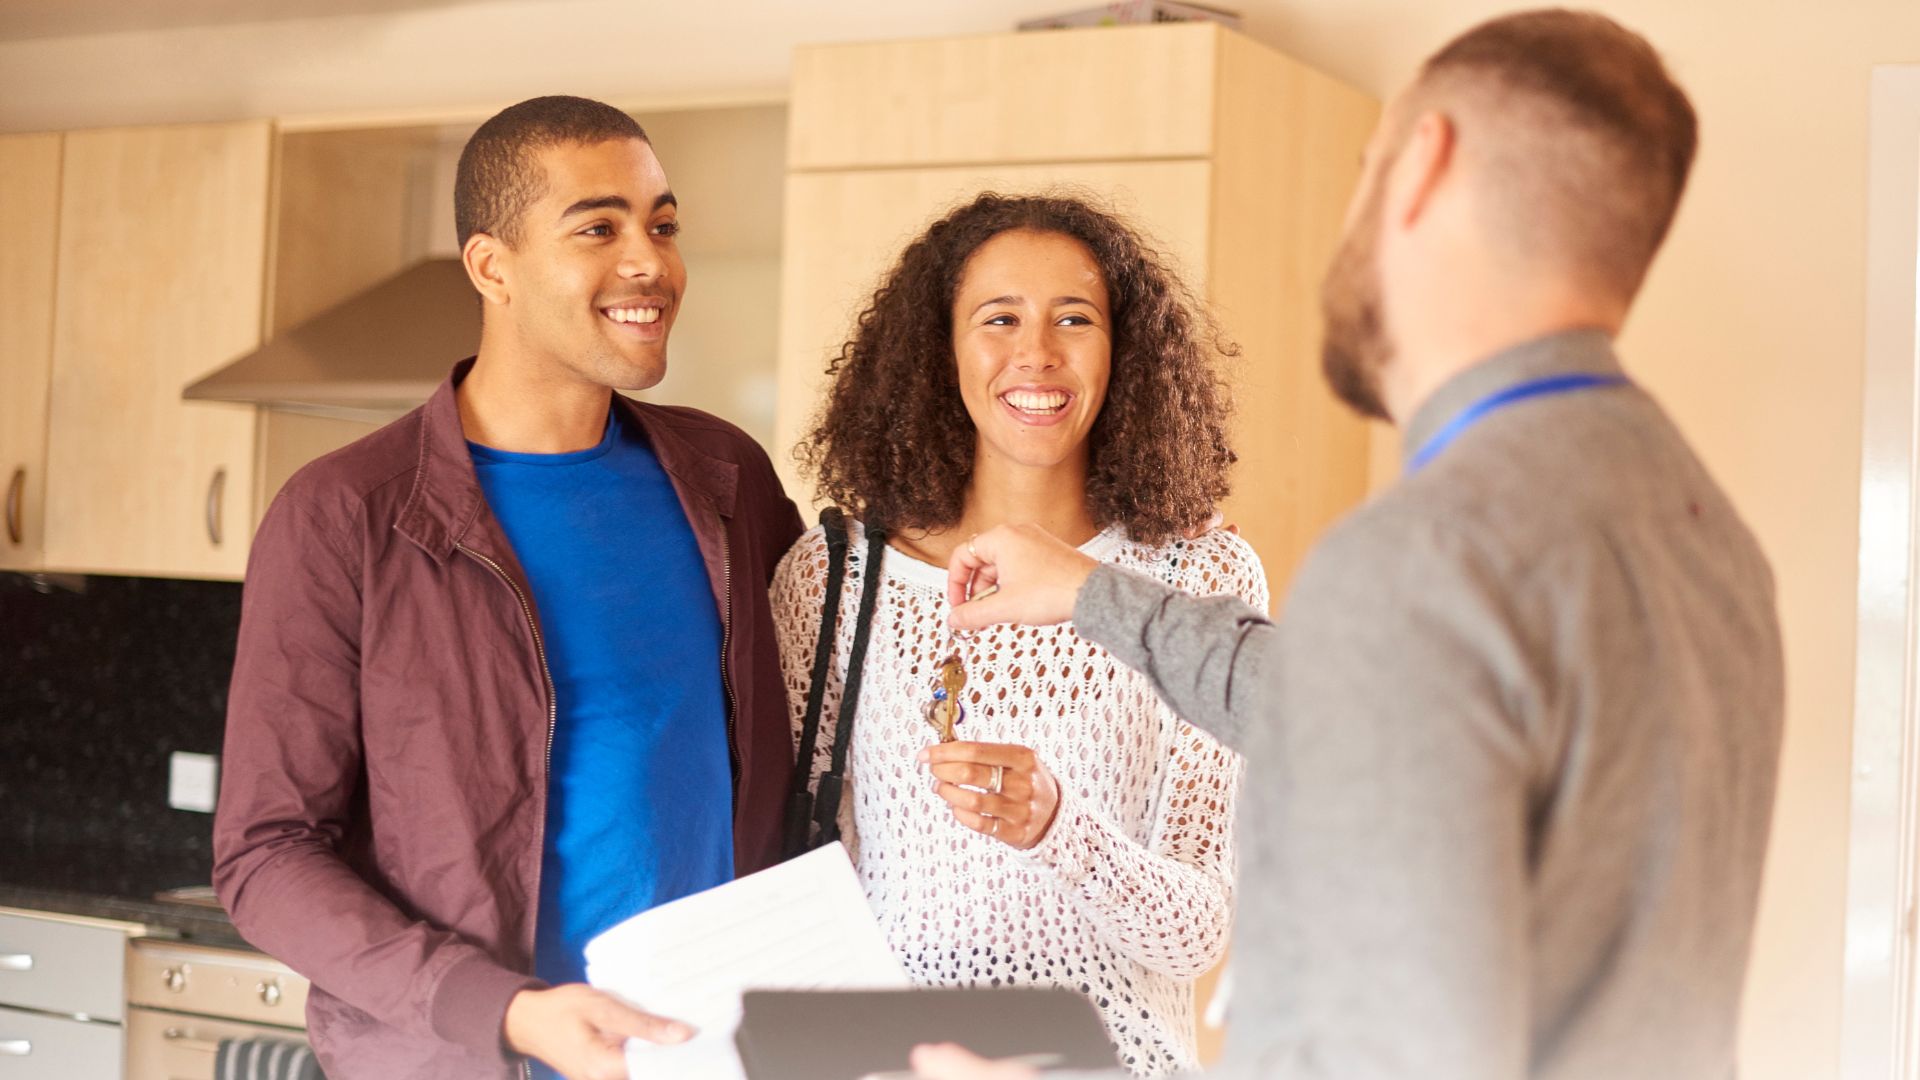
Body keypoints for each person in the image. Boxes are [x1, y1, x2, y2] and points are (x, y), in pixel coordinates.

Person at [913, 11, 1785, 1080]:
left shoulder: (1423, 558)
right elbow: (1365, 701)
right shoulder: (1707, 537)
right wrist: (1099, 595)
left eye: (1364, 173)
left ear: (1422, 169)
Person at [212, 96, 803, 1080]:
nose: (651, 262)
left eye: (662, 225)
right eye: (599, 228)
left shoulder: (727, 480)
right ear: (492, 268)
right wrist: (511, 1012)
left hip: (700, 1057)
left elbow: (815, 739)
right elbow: (265, 856)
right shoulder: (345, 516)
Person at [772, 193, 1266, 1075]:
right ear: (940, 350)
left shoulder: (1197, 577)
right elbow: (803, 890)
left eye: (1075, 318)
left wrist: (1058, 830)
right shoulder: (837, 576)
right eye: (999, 318)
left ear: (1124, 353)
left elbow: (1196, 936)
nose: (1037, 353)